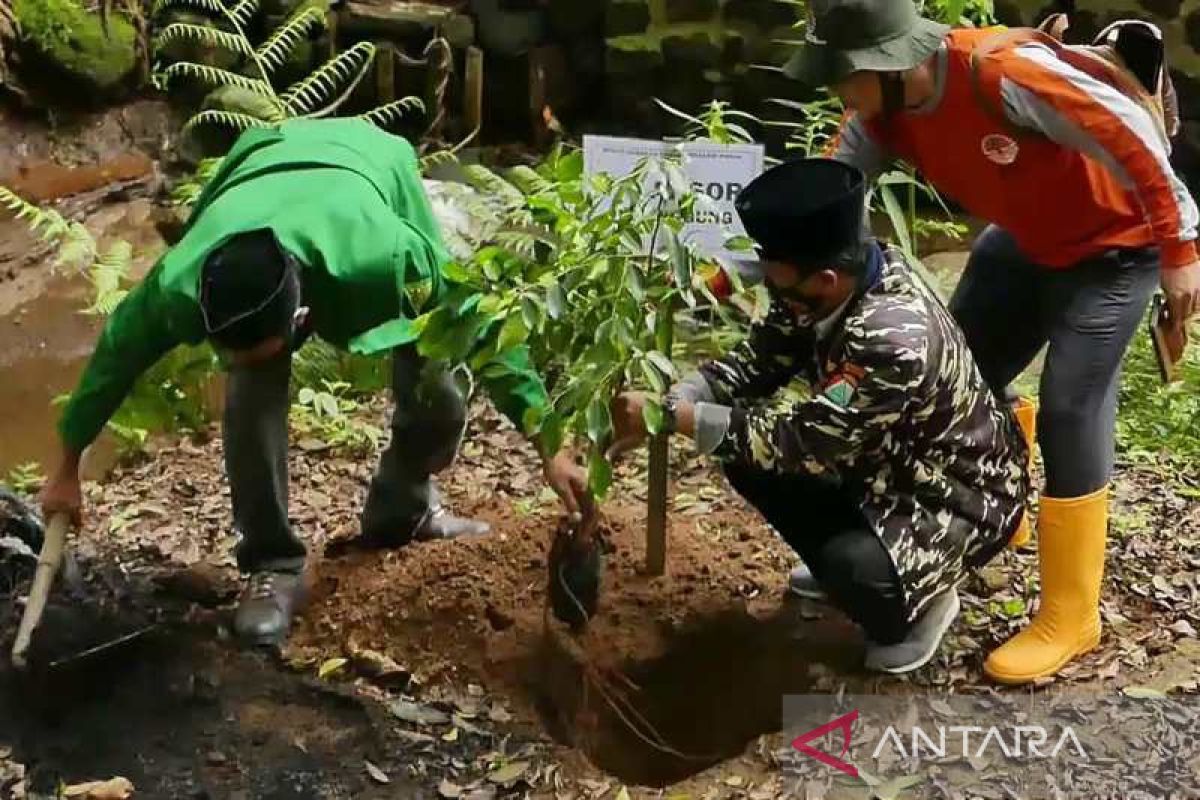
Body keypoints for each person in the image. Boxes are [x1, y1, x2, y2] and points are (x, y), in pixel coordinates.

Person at [38, 118, 590, 648]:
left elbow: (480, 321)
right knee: (249, 399)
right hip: (261, 162)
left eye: (264, 348)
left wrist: (550, 442)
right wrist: (65, 468)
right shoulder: (183, 283)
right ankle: (272, 564)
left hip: (369, 167)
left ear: (301, 315)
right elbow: (115, 356)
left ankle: (405, 504)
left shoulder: (386, 254)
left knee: (437, 384)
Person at [784, 0, 1200, 684]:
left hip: (1115, 250)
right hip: (1026, 238)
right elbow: (829, 197)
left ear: (893, 65)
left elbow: (1128, 133)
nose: (838, 92)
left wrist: (1180, 247)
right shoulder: (879, 115)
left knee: (1071, 405)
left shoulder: (1003, 76)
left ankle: (1072, 612)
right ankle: (995, 515)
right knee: (953, 376)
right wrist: (741, 269)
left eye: (844, 76)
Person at [609, 157, 1030, 675]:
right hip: (882, 459)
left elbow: (801, 443)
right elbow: (764, 356)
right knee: (739, 451)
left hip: (956, 497)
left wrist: (677, 417)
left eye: (780, 285)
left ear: (827, 279)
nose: (774, 293)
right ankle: (856, 569)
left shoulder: (890, 339)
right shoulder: (827, 280)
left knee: (845, 557)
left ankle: (915, 606)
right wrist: (683, 394)